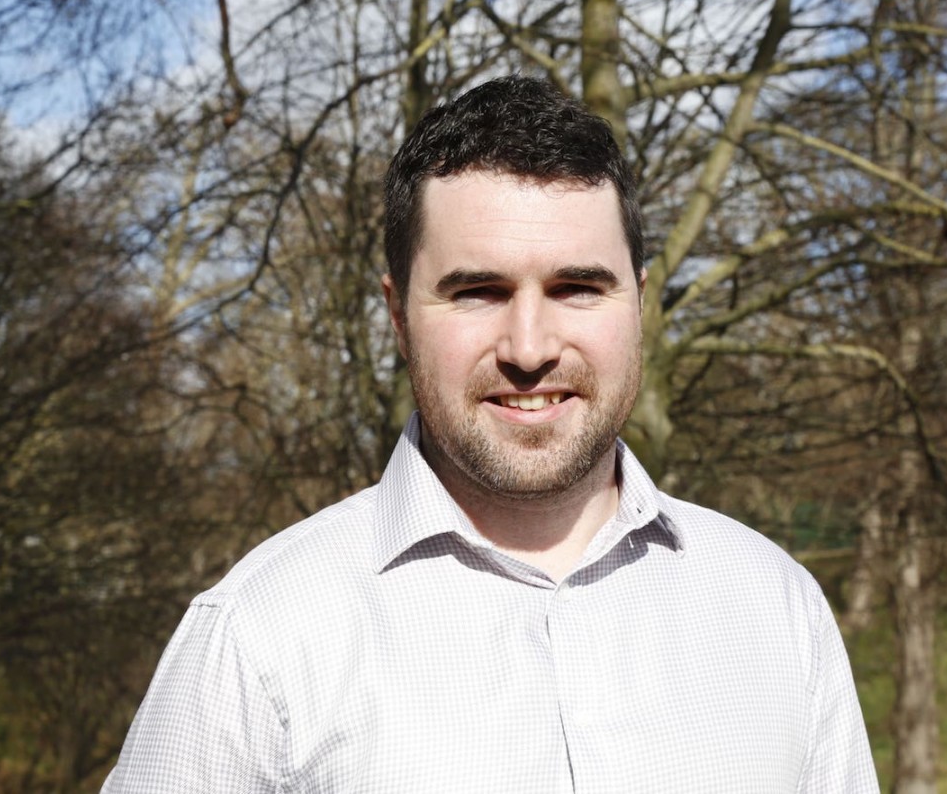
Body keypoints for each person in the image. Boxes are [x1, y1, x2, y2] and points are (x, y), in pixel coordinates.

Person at [102, 76, 879, 793]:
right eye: (478, 291)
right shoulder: (257, 640)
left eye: (577, 287)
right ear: (397, 317)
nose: (530, 348)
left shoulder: (777, 610)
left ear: (639, 305)